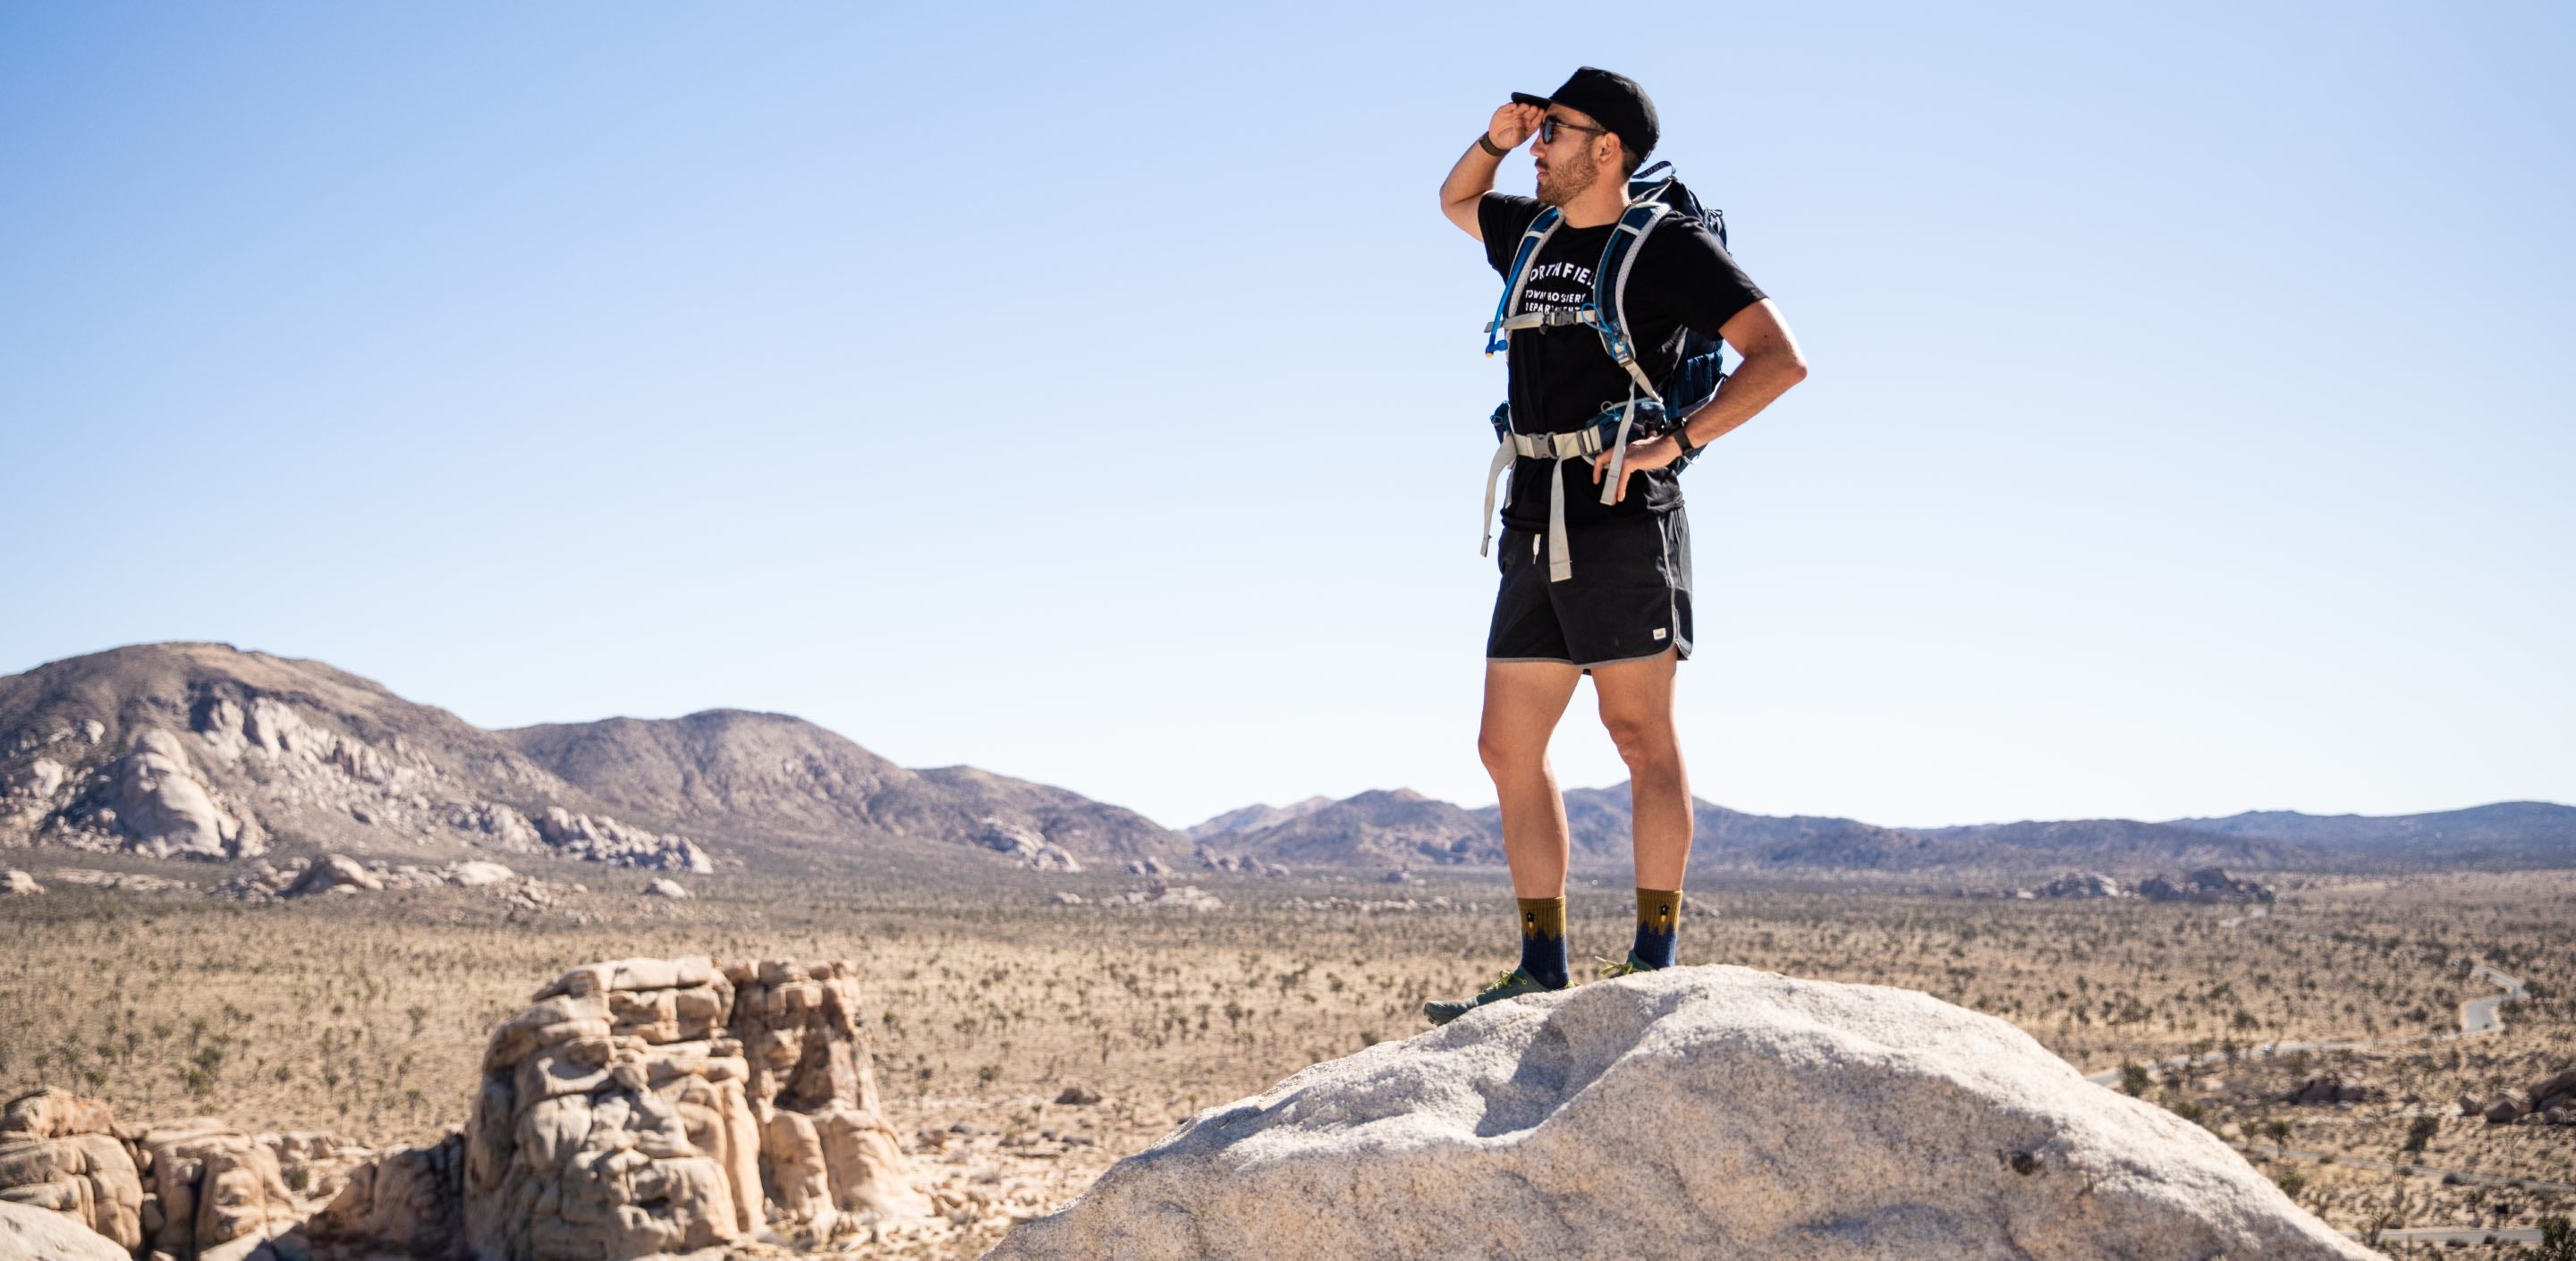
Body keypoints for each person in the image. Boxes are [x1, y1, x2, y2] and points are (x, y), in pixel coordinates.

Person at [1423, 68, 1809, 1025]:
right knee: (1504, 745)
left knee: (1638, 737)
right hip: (1532, 513)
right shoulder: (1533, 232)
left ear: (1609, 149)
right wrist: (1496, 136)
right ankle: (1541, 967)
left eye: (1555, 129)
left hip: (1621, 515)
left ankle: (1652, 963)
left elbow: (1781, 359)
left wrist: (1676, 442)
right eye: (1538, 127)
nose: (1540, 141)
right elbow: (1456, 200)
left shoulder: (1667, 248)